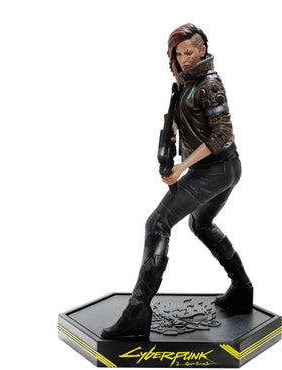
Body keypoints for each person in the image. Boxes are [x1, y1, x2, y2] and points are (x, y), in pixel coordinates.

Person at [101, 23, 253, 339]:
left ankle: (137, 312)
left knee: (157, 223)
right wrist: (174, 126)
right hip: (222, 169)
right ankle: (242, 288)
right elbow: (194, 117)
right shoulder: (189, 82)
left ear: (202, 50)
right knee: (201, 224)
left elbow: (223, 134)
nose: (183, 59)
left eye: (189, 52)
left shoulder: (209, 83)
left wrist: (183, 165)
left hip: (215, 170)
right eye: (178, 53)